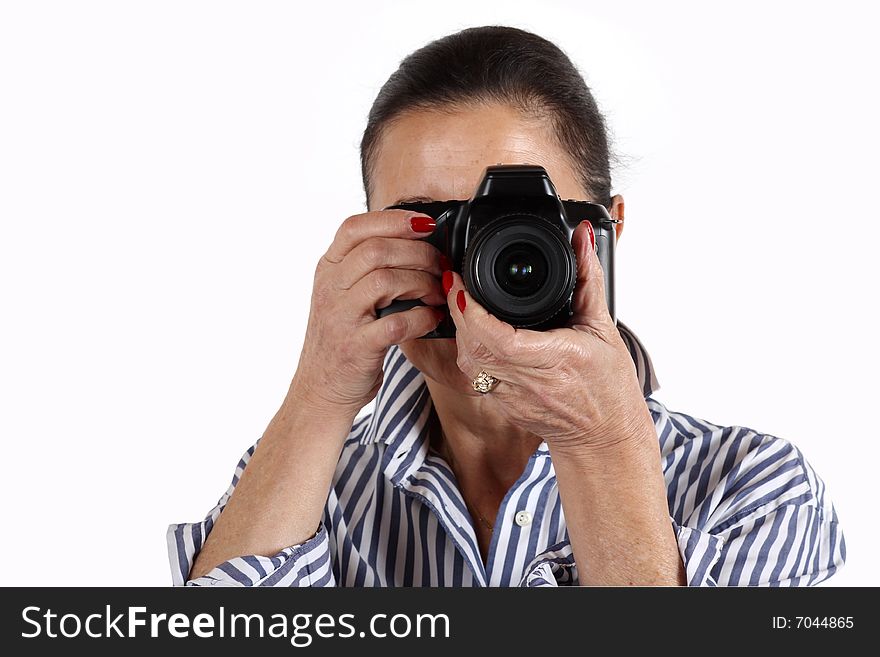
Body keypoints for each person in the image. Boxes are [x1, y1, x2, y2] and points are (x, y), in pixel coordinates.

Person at [168, 26, 845, 587]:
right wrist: (320, 390)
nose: (481, 269)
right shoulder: (314, 484)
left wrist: (602, 443)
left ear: (605, 232)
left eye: (523, 224)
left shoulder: (754, 489)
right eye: (433, 227)